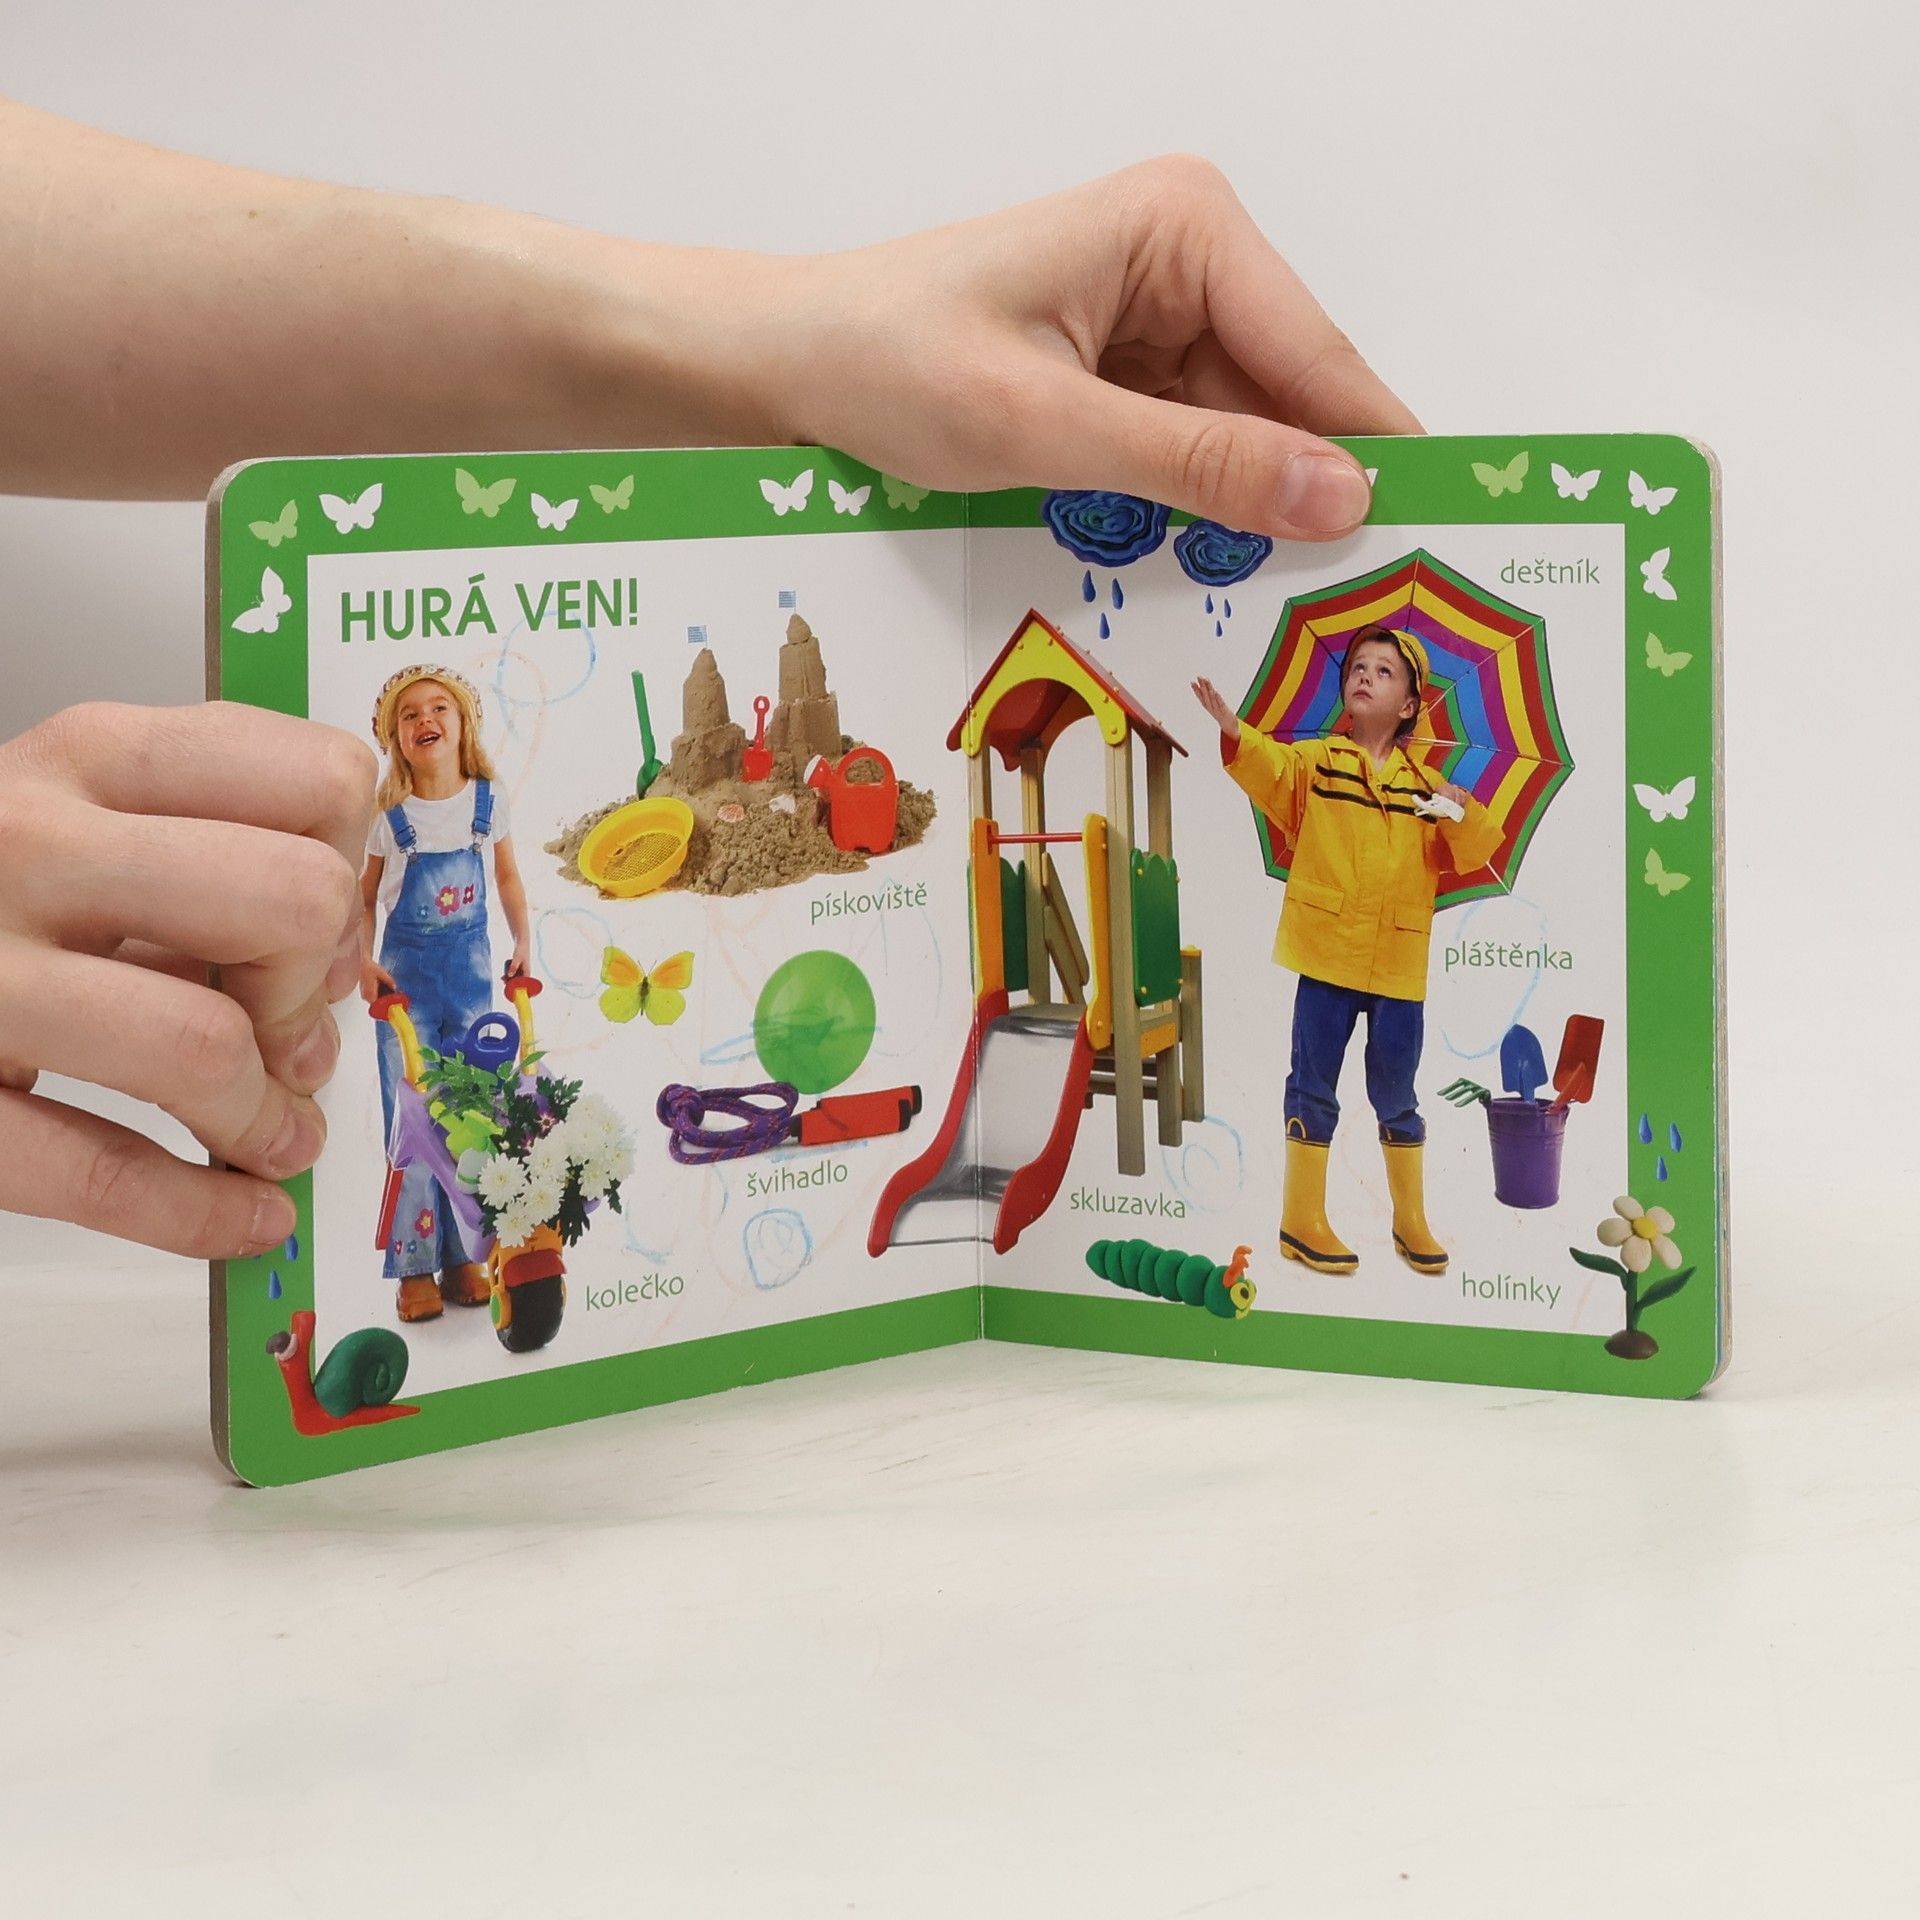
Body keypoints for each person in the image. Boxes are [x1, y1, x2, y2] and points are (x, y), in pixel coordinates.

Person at [0, 97, 1419, 1260]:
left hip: (1354, 951)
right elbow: (1270, 768)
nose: (1359, 689)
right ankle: (452, 1242)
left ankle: (1375, 1209)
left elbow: (505, 876)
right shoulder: (1287, 775)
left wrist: (765, 341)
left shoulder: (1407, 790)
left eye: (1377, 678)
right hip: (428, 983)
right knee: (438, 1095)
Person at [1192, 628, 1499, 1276]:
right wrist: (1235, 732)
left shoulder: (1427, 787)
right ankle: (1301, 1219)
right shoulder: (1318, 763)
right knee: (1312, 1083)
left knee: (1397, 1091)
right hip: (1327, 952)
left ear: (1409, 705)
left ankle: (1409, 1219)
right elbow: (1273, 770)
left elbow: (1474, 852)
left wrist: (1461, 810)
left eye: (1384, 671)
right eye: (1359, 667)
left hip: (1397, 964)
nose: (1365, 675)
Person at [359, 667, 530, 1321]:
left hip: (472, 985)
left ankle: (464, 1254)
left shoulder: (488, 801)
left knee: (471, 1116)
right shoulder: (390, 817)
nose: (424, 719)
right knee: (413, 1120)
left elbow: (507, 878)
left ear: (463, 724)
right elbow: (364, 898)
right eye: (409, 715)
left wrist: (523, 941)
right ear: (396, 739)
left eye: (438, 708)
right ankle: (414, 1265)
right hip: (405, 992)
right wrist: (362, 962)